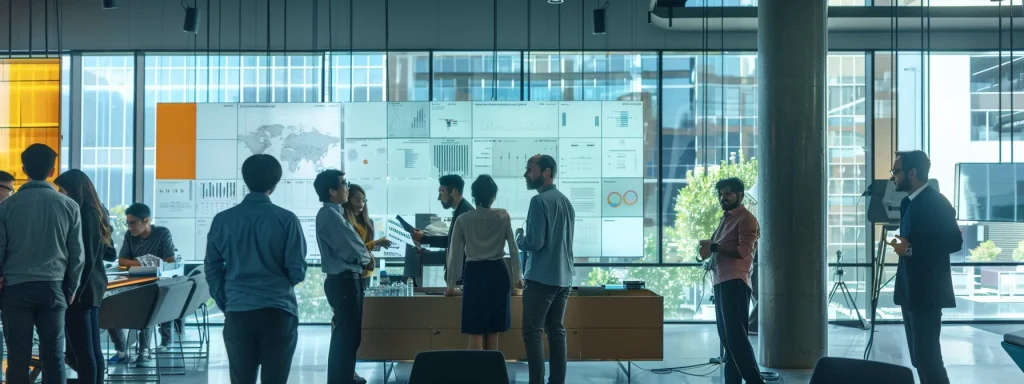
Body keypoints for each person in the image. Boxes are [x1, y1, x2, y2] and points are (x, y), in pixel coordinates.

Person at [205, 154, 308, 384]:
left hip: (238, 311)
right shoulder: (287, 219)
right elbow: (297, 270)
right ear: (275, 183)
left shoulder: (222, 220)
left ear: (245, 179)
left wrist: (227, 299)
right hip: (279, 312)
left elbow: (212, 268)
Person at [0, 143, 84, 384]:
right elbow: (77, 254)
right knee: (54, 356)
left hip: (15, 289)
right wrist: (71, 288)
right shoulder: (69, 206)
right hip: (53, 287)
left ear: (24, 168)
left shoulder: (6, 207)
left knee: (17, 357)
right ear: (52, 170)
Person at [888, 150, 961, 384]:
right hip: (911, 293)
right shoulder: (908, 203)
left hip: (927, 294)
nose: (893, 177)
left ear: (912, 173)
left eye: (896, 171)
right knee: (920, 359)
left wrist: (909, 249)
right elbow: (915, 242)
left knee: (928, 359)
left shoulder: (936, 201)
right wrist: (903, 246)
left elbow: (953, 241)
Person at [698, 177, 765, 384]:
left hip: (735, 282)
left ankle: (755, 381)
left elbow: (744, 251)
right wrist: (707, 251)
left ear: (740, 195)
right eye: (721, 194)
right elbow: (715, 248)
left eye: (728, 194)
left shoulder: (746, 219)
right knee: (727, 339)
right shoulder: (726, 218)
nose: (723, 198)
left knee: (736, 340)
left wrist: (715, 247)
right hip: (721, 281)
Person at [445, 175, 523, 351]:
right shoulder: (503, 216)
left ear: (473, 196)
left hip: (474, 274)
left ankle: (476, 374)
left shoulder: (463, 219)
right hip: (498, 272)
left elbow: (455, 253)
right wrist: (518, 276)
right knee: (494, 329)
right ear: (493, 197)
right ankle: (492, 374)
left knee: (475, 329)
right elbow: (513, 248)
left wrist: (451, 282)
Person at [516, 155, 575, 384]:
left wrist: (519, 237)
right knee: (556, 331)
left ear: (547, 172)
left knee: (532, 333)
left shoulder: (538, 202)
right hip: (564, 278)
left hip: (541, 279)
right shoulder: (565, 202)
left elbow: (535, 242)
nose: (526, 174)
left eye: (530, 169)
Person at [315, 170, 373, 384]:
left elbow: (357, 246)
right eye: (343, 184)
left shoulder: (337, 213)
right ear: (331, 191)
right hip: (344, 281)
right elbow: (354, 249)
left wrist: (363, 254)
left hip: (348, 281)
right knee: (345, 337)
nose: (347, 187)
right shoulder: (329, 215)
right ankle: (341, 379)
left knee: (350, 337)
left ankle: (345, 376)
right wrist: (365, 256)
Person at [54, 169, 111, 384]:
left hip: (82, 290)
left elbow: (83, 257)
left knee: (84, 351)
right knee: (92, 349)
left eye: (63, 190)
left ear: (75, 190)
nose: (61, 195)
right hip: (92, 288)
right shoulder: (95, 212)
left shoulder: (84, 214)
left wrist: (73, 289)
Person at [108, 202, 181, 365]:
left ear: (146, 220)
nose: (130, 227)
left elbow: (169, 261)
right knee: (108, 300)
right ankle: (121, 349)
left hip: (157, 284)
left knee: (145, 303)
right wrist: (146, 264)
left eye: (133, 223)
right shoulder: (129, 236)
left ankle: (144, 350)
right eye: (128, 223)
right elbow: (121, 261)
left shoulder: (162, 233)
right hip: (136, 281)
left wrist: (134, 263)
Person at [411, 175, 474, 281]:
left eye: (442, 191)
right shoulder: (461, 210)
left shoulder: (464, 213)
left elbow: (451, 241)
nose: (439, 197)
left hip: (464, 275)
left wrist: (424, 238)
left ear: (453, 192)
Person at [341, 184, 391, 286]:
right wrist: (377, 243)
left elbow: (366, 247)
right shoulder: (345, 222)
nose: (362, 204)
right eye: (358, 200)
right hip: (351, 272)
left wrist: (376, 244)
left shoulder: (368, 222)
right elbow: (355, 249)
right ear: (348, 200)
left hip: (367, 270)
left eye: (364, 200)